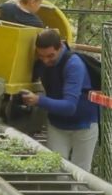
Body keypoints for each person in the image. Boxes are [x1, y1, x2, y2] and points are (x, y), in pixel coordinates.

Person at [21, 29, 99, 172]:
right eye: (41, 56)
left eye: (50, 56)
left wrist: (39, 100)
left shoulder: (74, 64)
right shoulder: (42, 62)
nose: (45, 60)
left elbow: (69, 106)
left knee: (81, 173)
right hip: (57, 123)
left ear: (60, 47)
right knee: (55, 169)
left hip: (84, 124)